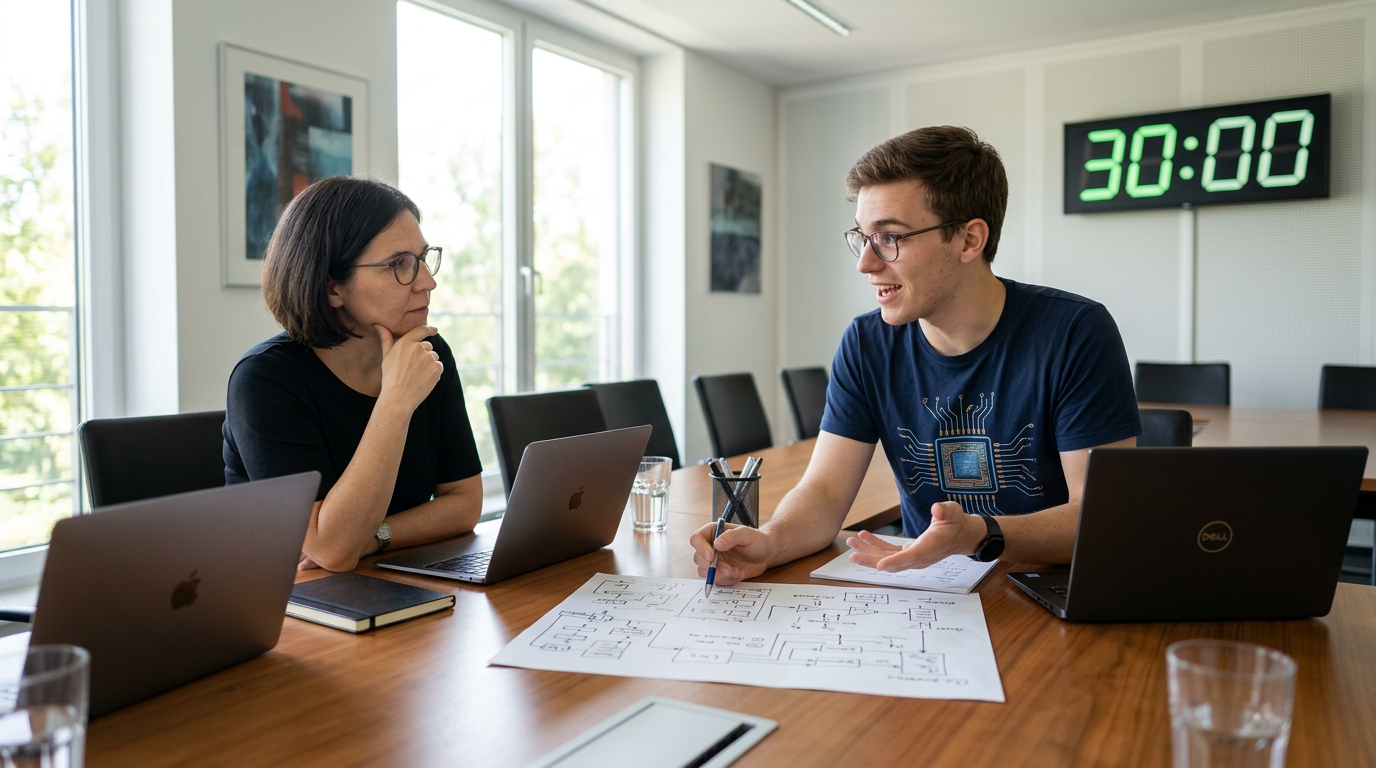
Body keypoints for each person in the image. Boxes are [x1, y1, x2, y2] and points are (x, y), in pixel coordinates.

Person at [691, 126, 1141, 584]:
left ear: (969, 240)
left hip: (1051, 589)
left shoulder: (1074, 331)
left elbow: (1100, 515)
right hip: (927, 592)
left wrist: (979, 534)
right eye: (861, 237)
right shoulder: (866, 343)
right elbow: (825, 492)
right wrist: (768, 542)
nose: (866, 263)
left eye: (891, 238)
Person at [224, 176, 484, 573]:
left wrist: (378, 536)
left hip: (386, 578)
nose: (428, 282)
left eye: (423, 258)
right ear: (332, 288)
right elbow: (332, 549)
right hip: (278, 604)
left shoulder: (428, 352)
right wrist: (395, 402)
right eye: (399, 264)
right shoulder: (264, 380)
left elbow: (465, 503)